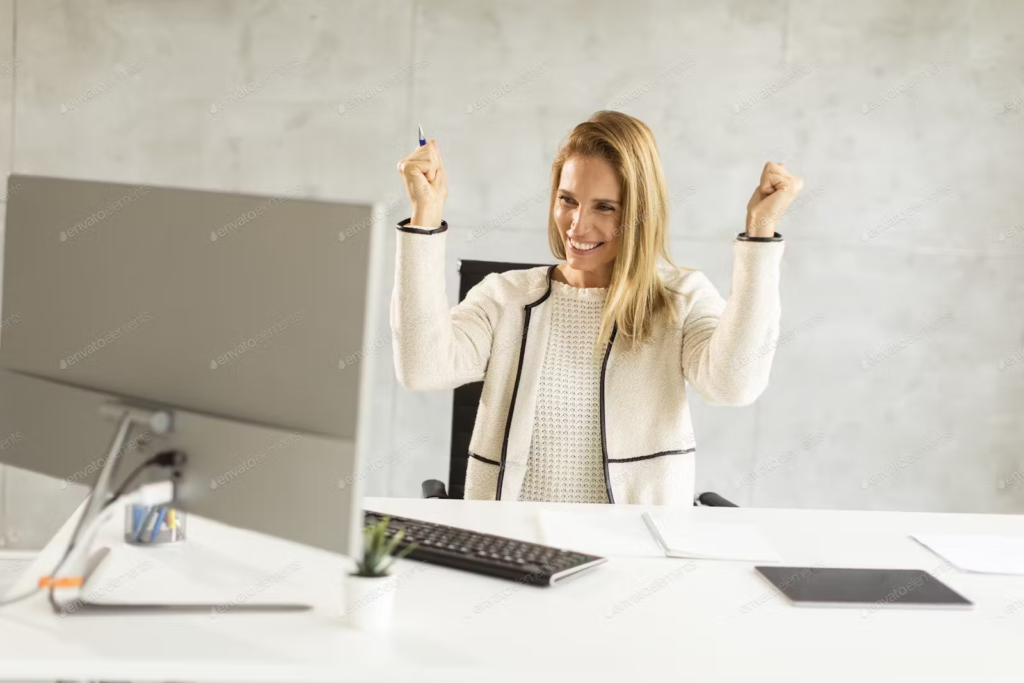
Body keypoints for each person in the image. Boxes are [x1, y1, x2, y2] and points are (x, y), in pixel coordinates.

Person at [392, 110, 802, 505]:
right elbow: (423, 368)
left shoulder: (681, 298)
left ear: (641, 214)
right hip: (512, 546)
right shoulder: (505, 297)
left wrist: (760, 236)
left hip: (630, 553)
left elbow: (733, 386)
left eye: (604, 207)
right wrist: (424, 217)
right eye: (567, 199)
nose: (576, 224)